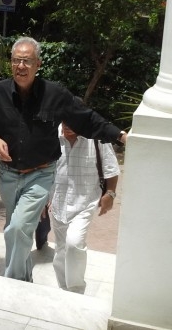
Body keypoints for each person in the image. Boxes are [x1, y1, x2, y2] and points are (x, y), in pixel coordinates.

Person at [0, 36, 127, 282]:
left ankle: (12, 283)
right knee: (16, 230)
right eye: (16, 60)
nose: (21, 66)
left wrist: (121, 136)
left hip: (40, 174)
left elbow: (87, 119)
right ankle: (25, 279)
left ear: (38, 64)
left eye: (27, 61)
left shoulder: (55, 94)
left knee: (17, 228)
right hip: (8, 174)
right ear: (11, 62)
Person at [50, 122, 120, 294]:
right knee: (61, 248)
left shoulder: (97, 137)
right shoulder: (51, 134)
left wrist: (110, 194)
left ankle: (76, 290)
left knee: (74, 244)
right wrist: (44, 197)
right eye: (65, 121)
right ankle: (63, 287)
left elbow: (111, 168)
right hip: (58, 201)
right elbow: (45, 167)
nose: (67, 126)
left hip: (85, 202)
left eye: (72, 121)